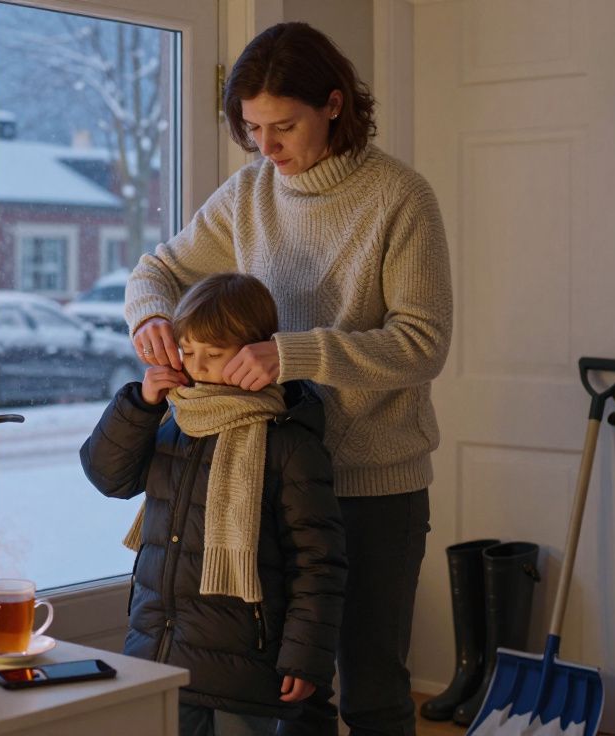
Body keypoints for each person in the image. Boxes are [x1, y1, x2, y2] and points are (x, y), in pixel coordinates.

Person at [125, 22, 452, 736]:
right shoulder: (248, 193)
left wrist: (293, 355)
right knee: (285, 694)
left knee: (372, 693)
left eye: (283, 127)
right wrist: (149, 317)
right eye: (251, 128)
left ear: (334, 105)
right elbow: (158, 270)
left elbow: (422, 344)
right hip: (265, 481)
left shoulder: (401, 197)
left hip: (373, 485)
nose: (265, 148)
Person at [80, 273, 346, 736]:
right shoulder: (173, 422)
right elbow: (109, 478)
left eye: (214, 354)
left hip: (242, 664)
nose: (197, 366)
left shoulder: (288, 444)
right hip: (160, 648)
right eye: (188, 351)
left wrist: (305, 657)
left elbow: (317, 562)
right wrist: (140, 405)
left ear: (254, 350)